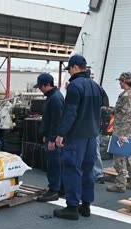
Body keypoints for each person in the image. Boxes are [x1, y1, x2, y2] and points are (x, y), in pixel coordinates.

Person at [54, 55, 104, 220]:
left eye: (69, 69)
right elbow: (103, 109)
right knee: (88, 170)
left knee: (72, 169)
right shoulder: (96, 86)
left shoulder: (75, 86)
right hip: (92, 135)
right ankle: (86, 205)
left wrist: (61, 133)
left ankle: (72, 207)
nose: (69, 72)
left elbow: (70, 113)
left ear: (75, 67)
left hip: (77, 136)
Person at [106, 72, 131, 192]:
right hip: (128, 130)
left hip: (123, 130)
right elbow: (122, 111)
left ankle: (120, 184)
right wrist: (108, 110)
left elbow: (126, 116)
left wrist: (121, 134)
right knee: (126, 155)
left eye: (120, 81)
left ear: (124, 81)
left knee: (119, 158)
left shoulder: (126, 96)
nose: (119, 83)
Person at [32, 73, 65, 202]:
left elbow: (57, 121)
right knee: (57, 164)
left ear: (47, 85)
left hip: (54, 139)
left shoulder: (55, 99)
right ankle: (61, 188)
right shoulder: (54, 97)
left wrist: (51, 139)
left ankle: (53, 190)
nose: (40, 89)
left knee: (53, 165)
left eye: (41, 86)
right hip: (52, 136)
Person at [86, 68, 110, 184]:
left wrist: (104, 126)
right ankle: (96, 173)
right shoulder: (98, 89)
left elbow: (105, 110)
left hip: (93, 125)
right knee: (93, 150)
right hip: (92, 125)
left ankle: (98, 174)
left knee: (94, 150)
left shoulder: (97, 90)